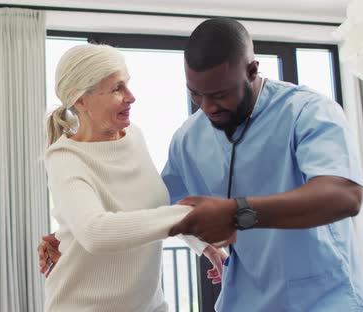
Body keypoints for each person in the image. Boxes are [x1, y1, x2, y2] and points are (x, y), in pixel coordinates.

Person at [40, 18, 363, 311]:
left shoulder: (308, 112)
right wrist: (70, 230)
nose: (208, 108)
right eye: (196, 95)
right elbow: (157, 204)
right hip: (245, 300)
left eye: (220, 94)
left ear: (252, 71)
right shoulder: (190, 137)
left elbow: (343, 196)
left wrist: (237, 213)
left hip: (321, 298)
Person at [42, 43, 225, 312]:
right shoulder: (65, 158)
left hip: (150, 305)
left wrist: (204, 245)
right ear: (80, 99)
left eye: (127, 84)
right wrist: (190, 215)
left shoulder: (135, 137)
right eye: (117, 88)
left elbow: (150, 208)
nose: (131, 96)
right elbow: (95, 232)